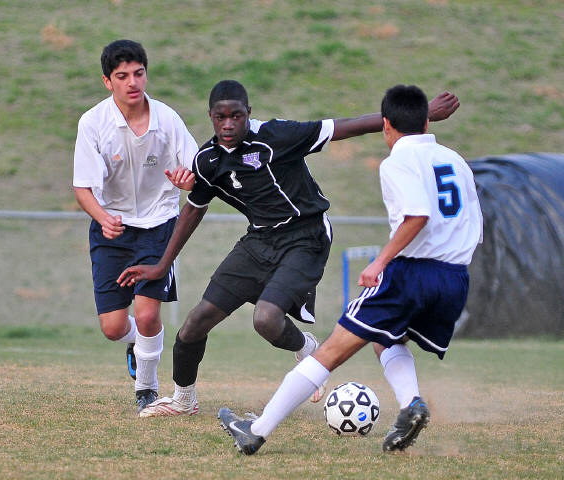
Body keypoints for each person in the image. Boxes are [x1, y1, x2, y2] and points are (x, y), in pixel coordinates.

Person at [117, 80, 460, 418]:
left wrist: (419, 115)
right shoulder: (208, 161)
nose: (228, 124)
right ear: (211, 117)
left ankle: (306, 348)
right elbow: (194, 208)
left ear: (248, 113)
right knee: (194, 323)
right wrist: (162, 265)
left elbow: (344, 126)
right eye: (220, 117)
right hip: (259, 241)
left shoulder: (276, 136)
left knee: (266, 319)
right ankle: (183, 399)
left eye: (236, 116)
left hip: (306, 237)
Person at [218, 84, 483, 455]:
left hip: (412, 274)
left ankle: (255, 431)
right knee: (385, 338)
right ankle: (411, 404)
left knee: (329, 352)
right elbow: (474, 226)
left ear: (386, 124)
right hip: (455, 277)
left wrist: (381, 261)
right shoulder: (455, 160)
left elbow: (417, 216)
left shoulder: (398, 162)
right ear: (426, 122)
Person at [72, 39, 197, 415]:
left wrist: (187, 179)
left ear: (146, 74)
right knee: (113, 327)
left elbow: (196, 173)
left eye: (138, 73)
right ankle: (137, 343)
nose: (132, 82)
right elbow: (83, 187)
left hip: (159, 225)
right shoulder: (93, 123)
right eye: (122, 75)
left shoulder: (167, 120)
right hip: (112, 228)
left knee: (146, 315)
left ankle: (146, 387)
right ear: (107, 81)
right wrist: (102, 217)